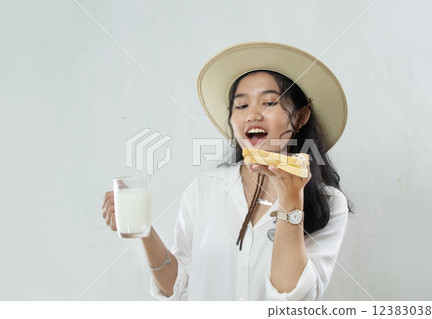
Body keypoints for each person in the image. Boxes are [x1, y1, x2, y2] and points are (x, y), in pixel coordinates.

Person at [102, 42, 350, 301]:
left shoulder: (329, 203)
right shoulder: (205, 189)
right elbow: (179, 288)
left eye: (268, 102)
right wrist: (143, 229)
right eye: (241, 106)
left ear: (299, 118)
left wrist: (290, 203)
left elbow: (292, 303)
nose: (252, 114)